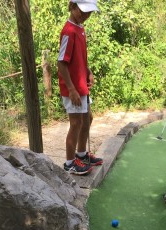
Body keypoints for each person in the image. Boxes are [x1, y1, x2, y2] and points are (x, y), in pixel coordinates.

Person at [57, 0, 103, 175]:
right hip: (73, 88)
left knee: (88, 118)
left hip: (81, 84)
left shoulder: (80, 28)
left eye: (89, 12)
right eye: (82, 11)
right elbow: (61, 63)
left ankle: (82, 154)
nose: (86, 15)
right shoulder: (69, 31)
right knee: (76, 123)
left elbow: (78, 58)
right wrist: (71, 89)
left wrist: (88, 70)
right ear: (72, 6)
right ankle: (70, 163)